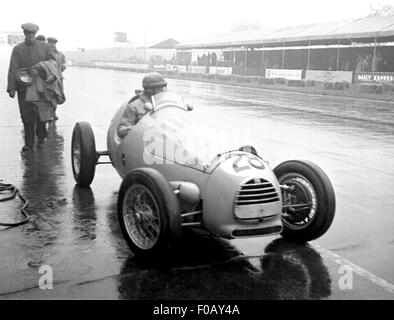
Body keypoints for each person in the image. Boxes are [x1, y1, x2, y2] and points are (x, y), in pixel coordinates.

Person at [7, 22, 55, 151]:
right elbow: (13, 68)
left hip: (41, 87)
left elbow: (52, 64)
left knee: (41, 115)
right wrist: (11, 87)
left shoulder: (45, 47)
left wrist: (41, 69)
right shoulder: (18, 49)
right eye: (28, 33)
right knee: (26, 115)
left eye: (32, 33)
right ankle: (28, 143)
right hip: (24, 86)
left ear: (36, 34)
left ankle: (41, 140)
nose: (30, 36)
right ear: (24, 33)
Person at [117, 72, 167, 139]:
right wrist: (142, 128)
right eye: (161, 88)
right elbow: (121, 131)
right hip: (144, 143)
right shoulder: (134, 106)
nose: (164, 91)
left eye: (164, 88)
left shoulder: (166, 103)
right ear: (151, 91)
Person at [47, 37, 66, 120]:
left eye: (54, 43)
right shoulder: (45, 53)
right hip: (47, 79)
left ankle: (53, 113)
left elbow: (64, 64)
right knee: (48, 96)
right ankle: (50, 114)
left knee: (57, 95)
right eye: (50, 43)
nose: (52, 45)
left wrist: (61, 68)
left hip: (58, 79)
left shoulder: (60, 54)